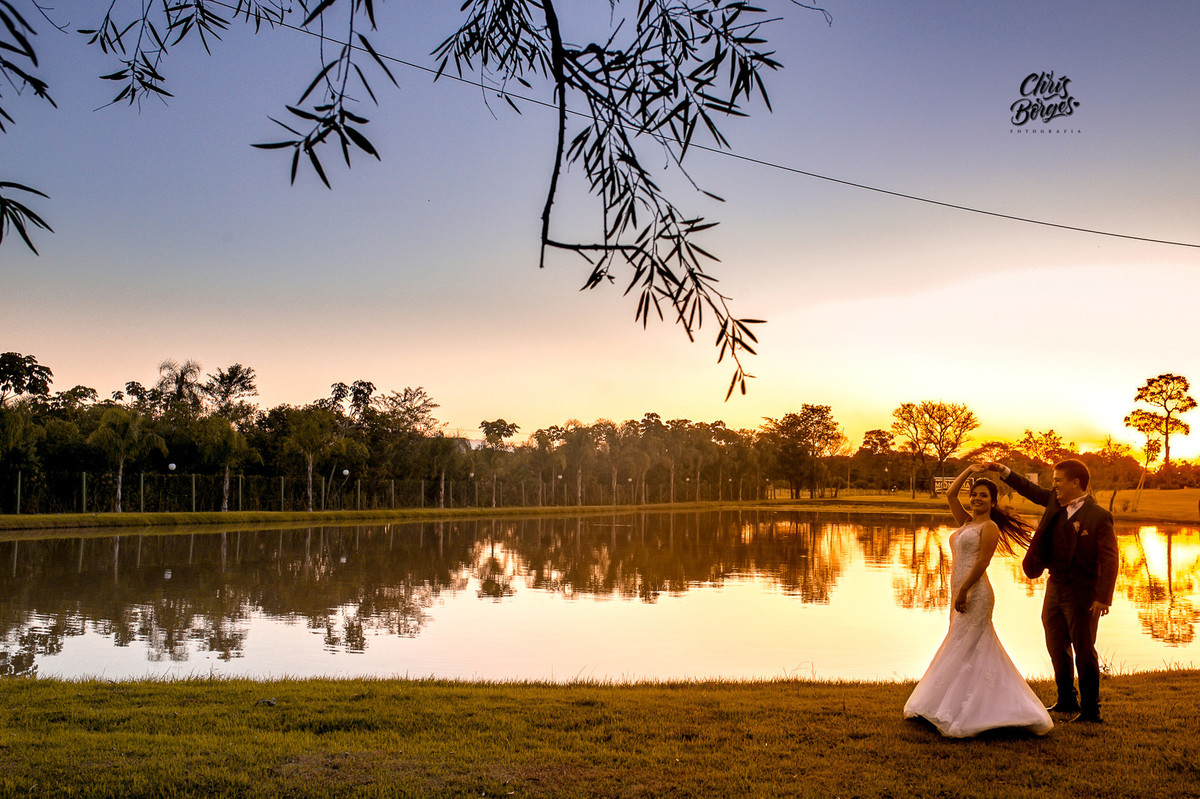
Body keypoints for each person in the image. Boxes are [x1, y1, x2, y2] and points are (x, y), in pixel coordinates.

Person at [904, 463, 1053, 738]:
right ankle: (951, 702)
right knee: (962, 645)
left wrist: (963, 590)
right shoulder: (966, 523)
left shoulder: (990, 527)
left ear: (993, 502)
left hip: (976, 593)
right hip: (958, 591)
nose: (976, 499)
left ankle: (979, 710)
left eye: (983, 495)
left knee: (968, 643)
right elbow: (950, 494)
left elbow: (983, 562)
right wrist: (969, 472)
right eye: (974, 494)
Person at [983, 458, 1118, 723]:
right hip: (1055, 586)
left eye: (1058, 480)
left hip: (1083, 593)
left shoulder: (1099, 516)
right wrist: (1004, 471)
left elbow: (1110, 558)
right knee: (1056, 645)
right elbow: (1029, 490)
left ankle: (1091, 711)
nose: (1054, 485)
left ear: (1075, 482)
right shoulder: (1055, 502)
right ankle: (1066, 700)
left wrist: (1103, 597)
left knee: (1084, 648)